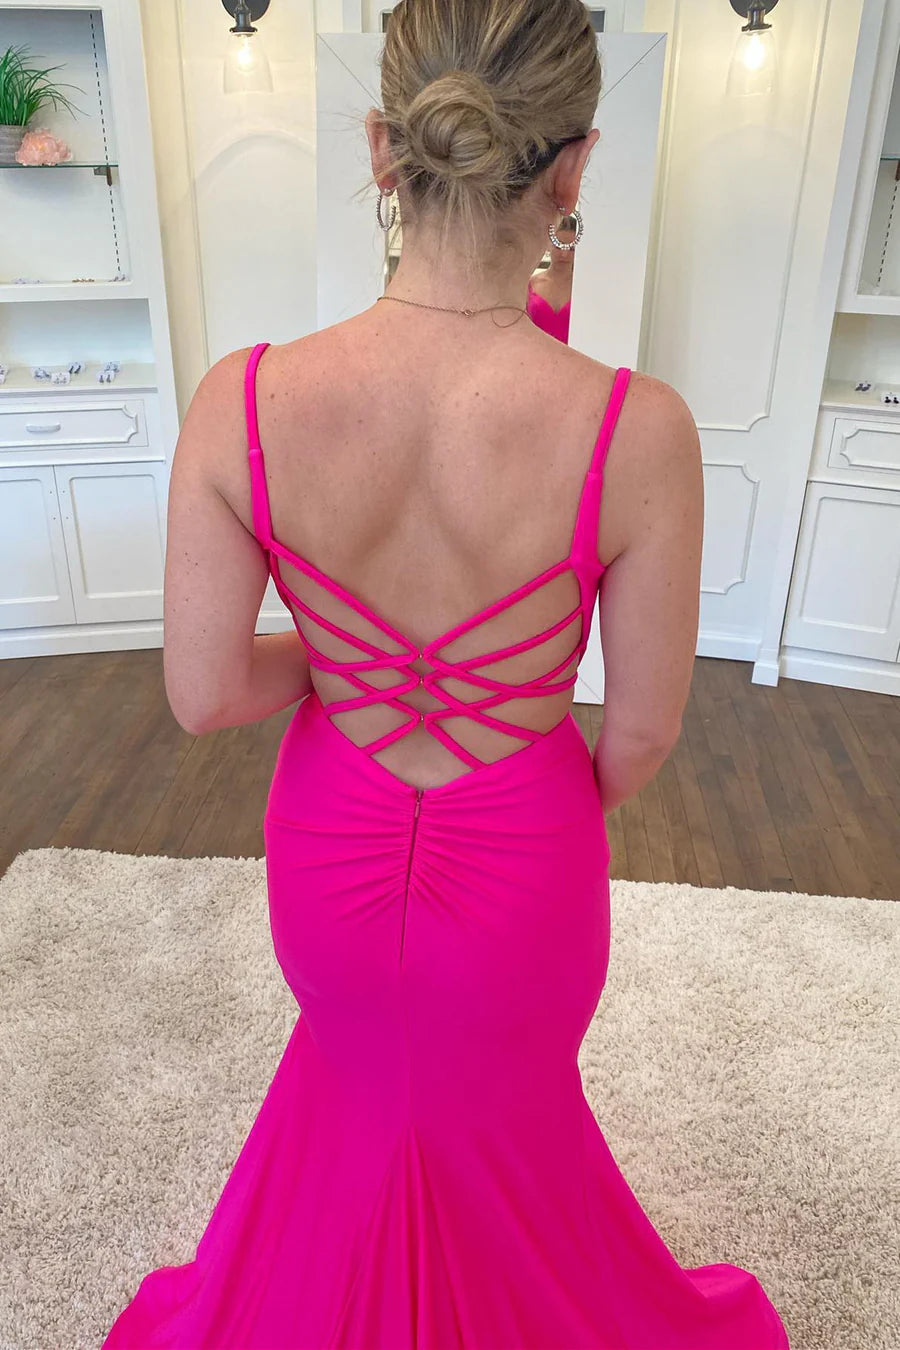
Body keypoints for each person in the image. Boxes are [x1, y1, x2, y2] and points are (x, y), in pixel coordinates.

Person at [103, 0, 790, 1346]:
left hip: (331, 851)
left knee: (362, 1089)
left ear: (382, 147)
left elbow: (203, 692)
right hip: (526, 860)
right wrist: (531, 781)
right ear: (573, 168)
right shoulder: (638, 429)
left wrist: (341, 665)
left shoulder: (244, 400)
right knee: (506, 1118)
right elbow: (643, 734)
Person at [527, 215, 577, 343]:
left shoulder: (583, 288)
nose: (564, 254)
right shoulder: (529, 285)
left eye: (571, 248)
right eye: (558, 246)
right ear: (549, 244)